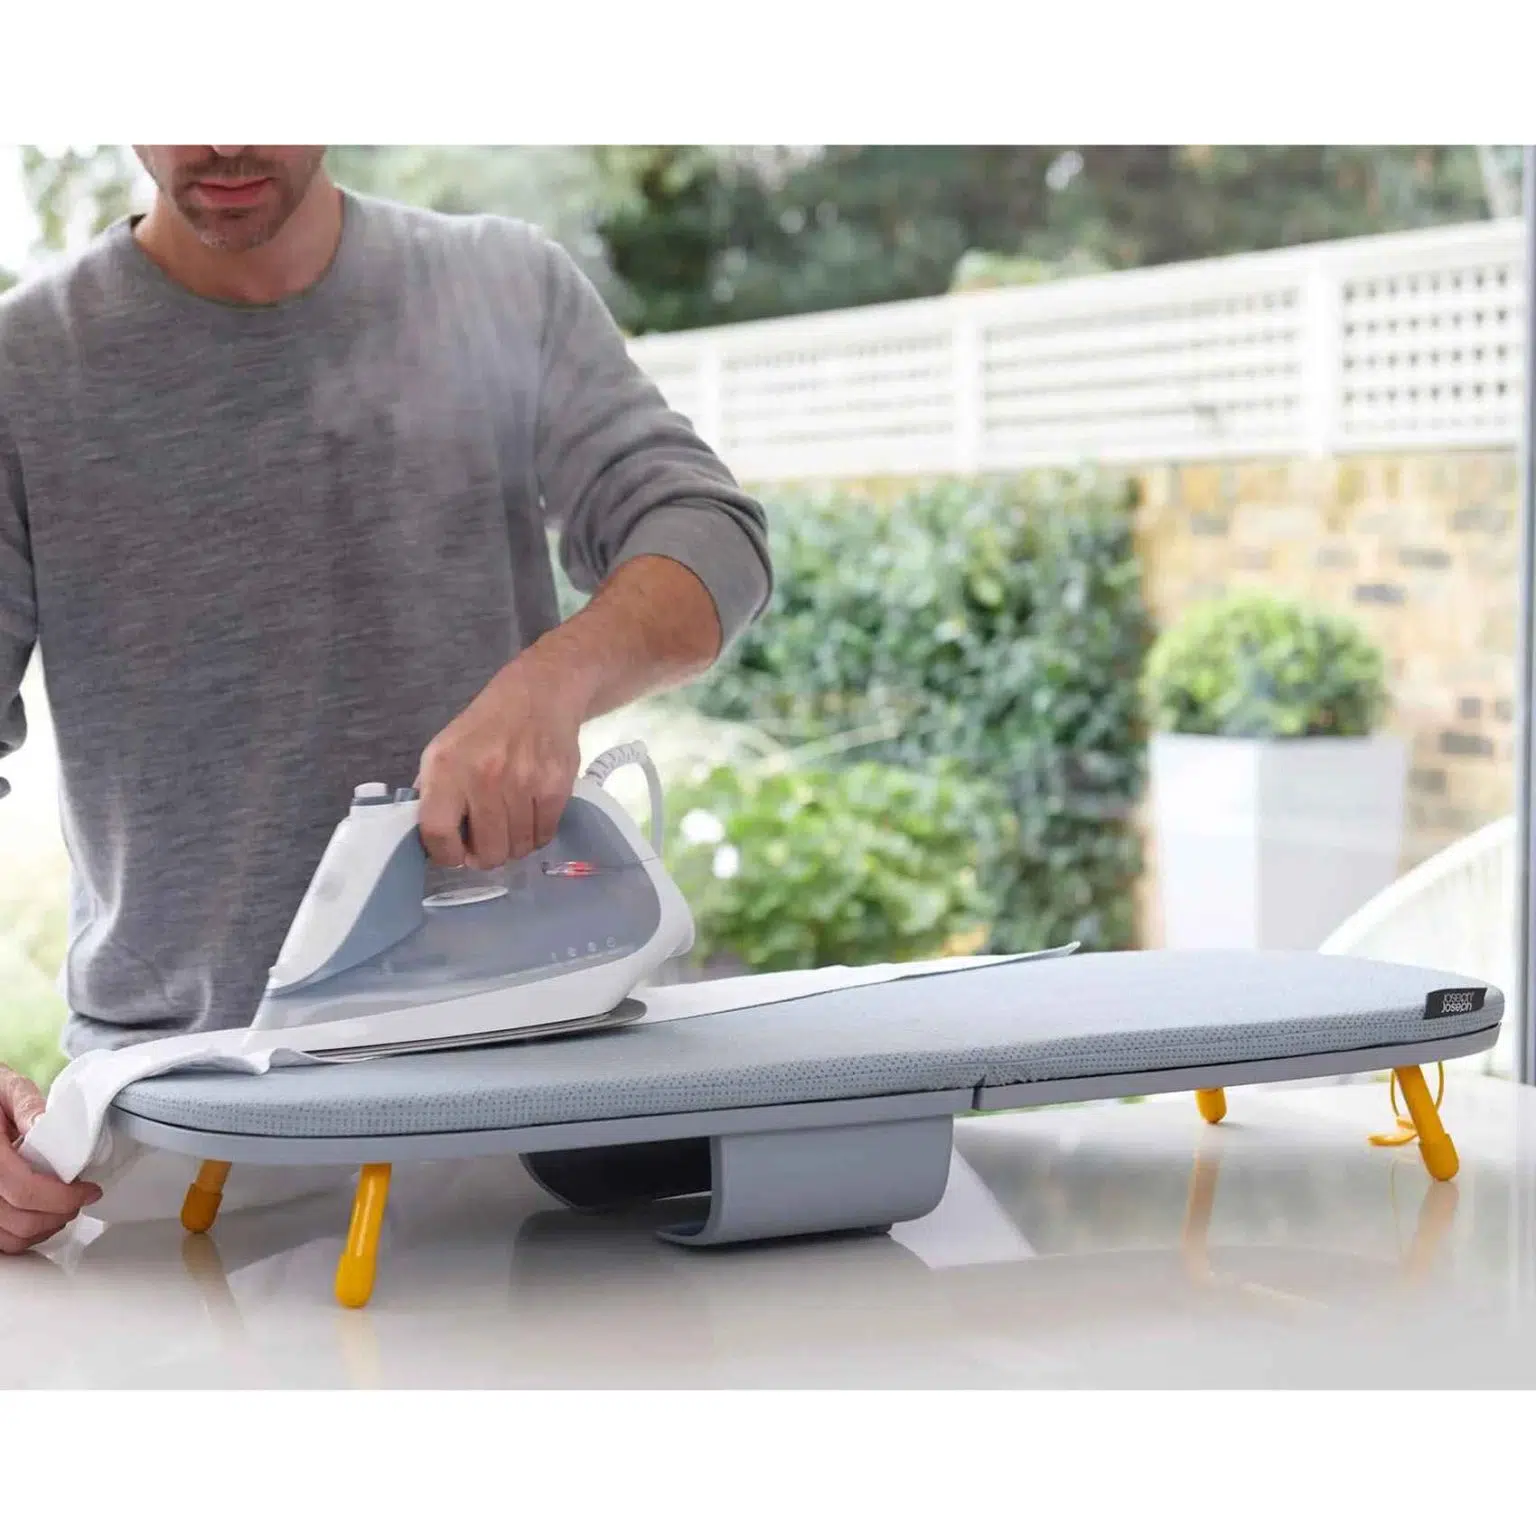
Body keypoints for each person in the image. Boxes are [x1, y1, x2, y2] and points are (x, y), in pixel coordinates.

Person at [0, 146, 771, 1254]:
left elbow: (710, 537)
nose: (223, 136)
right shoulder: (28, 367)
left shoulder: (502, 286)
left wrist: (549, 685)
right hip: (187, 1125)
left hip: (534, 1115)